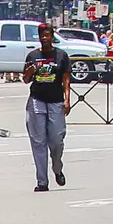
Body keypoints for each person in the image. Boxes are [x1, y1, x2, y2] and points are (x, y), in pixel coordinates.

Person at [24, 22, 72, 191]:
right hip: (37, 100)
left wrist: (67, 99)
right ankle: (42, 181)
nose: (45, 38)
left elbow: (66, 79)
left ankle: (57, 168)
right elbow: (25, 79)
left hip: (56, 101)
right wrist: (30, 70)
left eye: (48, 35)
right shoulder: (33, 55)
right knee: (38, 142)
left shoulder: (61, 56)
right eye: (42, 35)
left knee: (57, 140)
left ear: (52, 36)